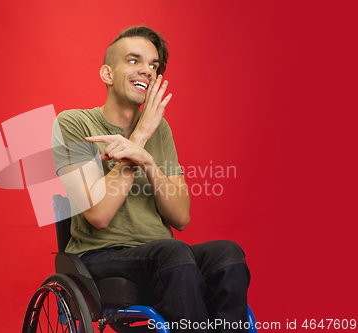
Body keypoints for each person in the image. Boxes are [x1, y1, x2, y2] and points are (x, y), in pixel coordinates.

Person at [52, 26, 250, 333]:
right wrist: (139, 138)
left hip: (162, 255)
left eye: (154, 65)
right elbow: (99, 215)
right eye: (134, 61)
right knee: (172, 253)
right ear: (107, 73)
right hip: (99, 255)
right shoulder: (74, 123)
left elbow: (181, 217)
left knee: (228, 254)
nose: (147, 69)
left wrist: (148, 162)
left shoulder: (162, 130)